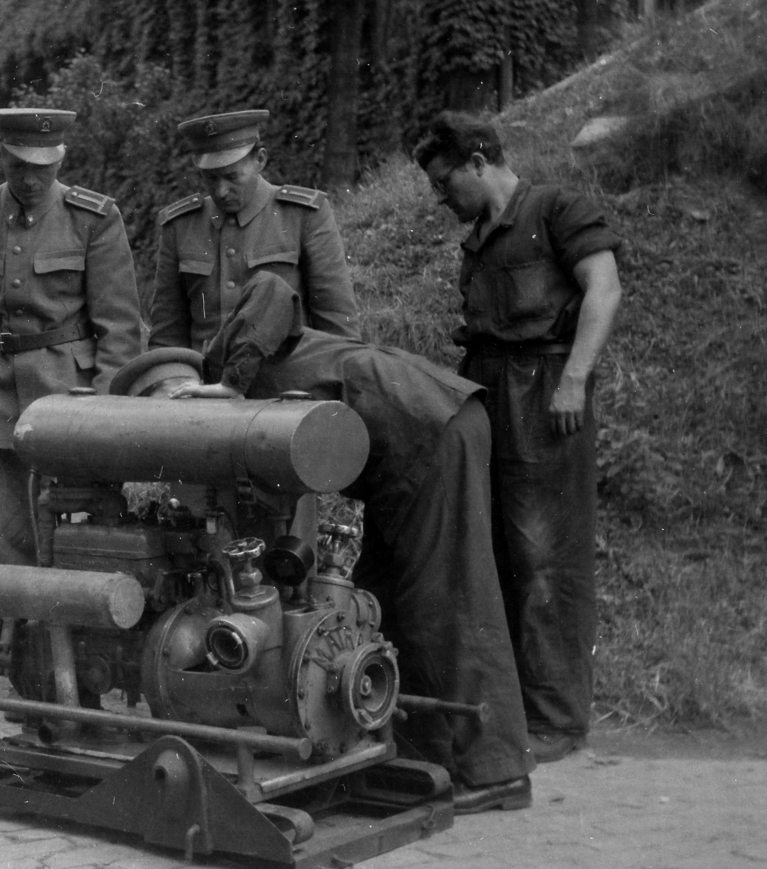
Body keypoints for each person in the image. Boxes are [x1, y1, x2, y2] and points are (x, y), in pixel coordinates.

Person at [170, 272, 534, 812]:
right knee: (367, 602)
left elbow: (273, 286)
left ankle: (494, 770)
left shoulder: (233, 359)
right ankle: (403, 744)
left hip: (429, 434)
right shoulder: (257, 360)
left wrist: (232, 382)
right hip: (414, 441)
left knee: (447, 599)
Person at [414, 110, 622, 764]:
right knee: (499, 555)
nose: (440, 196)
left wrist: (574, 381)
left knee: (545, 559)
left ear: (479, 161)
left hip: (546, 392)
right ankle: (514, 717)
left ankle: (558, 722)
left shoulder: (558, 207)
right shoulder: (479, 236)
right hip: (489, 390)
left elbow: (604, 289)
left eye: (447, 181)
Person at [0, 107, 143, 566]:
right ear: (0, 156)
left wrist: (104, 411)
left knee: (81, 532)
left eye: (43, 168)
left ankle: (76, 633)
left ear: (61, 159)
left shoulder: (93, 218)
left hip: (72, 398)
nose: (31, 180)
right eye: (19, 166)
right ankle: (16, 635)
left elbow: (119, 327)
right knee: (9, 535)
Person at [149, 107, 360, 351]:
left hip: (285, 383)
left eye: (232, 177)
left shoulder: (304, 215)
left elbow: (338, 327)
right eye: (210, 178)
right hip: (201, 384)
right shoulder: (180, 226)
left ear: (260, 159)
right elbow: (166, 335)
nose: (221, 191)